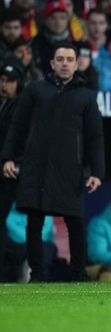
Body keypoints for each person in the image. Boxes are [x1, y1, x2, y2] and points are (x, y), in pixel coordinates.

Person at [1, 42, 105, 282]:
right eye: (60, 59)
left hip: (70, 168)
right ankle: (37, 274)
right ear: (52, 63)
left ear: (77, 64)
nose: (65, 63)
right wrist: (6, 158)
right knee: (34, 220)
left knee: (75, 221)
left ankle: (79, 273)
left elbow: (95, 136)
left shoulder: (86, 96)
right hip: (35, 165)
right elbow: (17, 126)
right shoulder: (34, 90)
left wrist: (97, 172)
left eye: (70, 59)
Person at [0, 60, 24, 281]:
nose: (4, 85)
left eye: (10, 81)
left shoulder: (19, 107)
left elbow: (20, 140)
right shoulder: (5, 104)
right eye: (3, 80)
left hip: (7, 174)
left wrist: (10, 160)